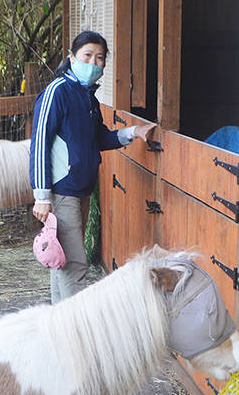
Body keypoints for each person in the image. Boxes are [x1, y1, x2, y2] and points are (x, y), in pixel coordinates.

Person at [30, 30, 155, 303]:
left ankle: (58, 323)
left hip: (82, 190)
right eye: (87, 55)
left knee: (61, 260)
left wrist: (133, 131)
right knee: (75, 265)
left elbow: (101, 138)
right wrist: (41, 196)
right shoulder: (57, 92)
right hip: (62, 192)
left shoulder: (89, 99)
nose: (93, 63)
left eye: (100, 58)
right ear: (72, 57)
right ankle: (77, 335)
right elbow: (39, 143)